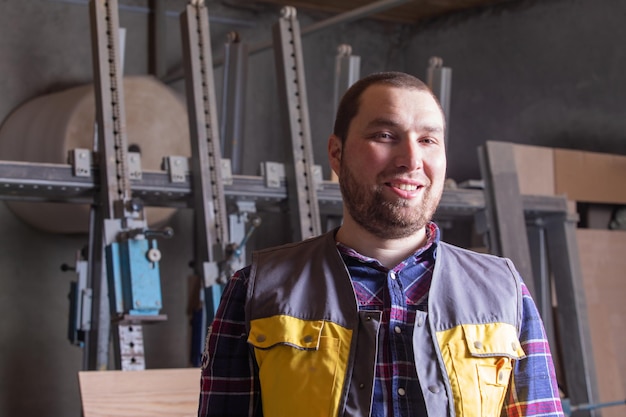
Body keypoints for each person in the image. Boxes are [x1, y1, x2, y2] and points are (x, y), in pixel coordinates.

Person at [198, 71, 564, 417]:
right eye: (385, 136)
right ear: (336, 154)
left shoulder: (503, 291)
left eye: (427, 140)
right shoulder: (256, 290)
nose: (411, 159)